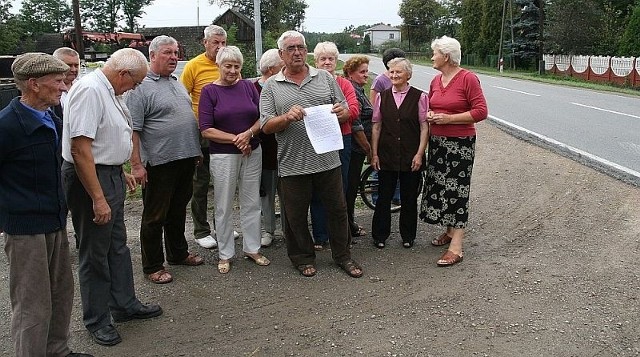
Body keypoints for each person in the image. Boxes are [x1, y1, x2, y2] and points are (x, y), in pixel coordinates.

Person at [61, 48, 163, 346]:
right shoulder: (91, 91)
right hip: (90, 178)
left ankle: (123, 304)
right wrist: (97, 197)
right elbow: (80, 149)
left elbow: (107, 137)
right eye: (136, 82)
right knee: (94, 252)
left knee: (117, 246)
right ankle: (97, 319)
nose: (135, 88)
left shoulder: (111, 91)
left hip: (108, 174)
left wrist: (119, 170)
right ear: (123, 74)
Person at [0, 53, 92, 357]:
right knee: (32, 303)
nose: (64, 87)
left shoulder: (51, 117)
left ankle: (57, 351)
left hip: (54, 220)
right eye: (57, 81)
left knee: (61, 292)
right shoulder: (8, 126)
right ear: (33, 84)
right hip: (25, 229)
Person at [260, 30, 363, 278]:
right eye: (291, 49)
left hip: (327, 159)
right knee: (295, 215)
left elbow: (346, 109)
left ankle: (343, 256)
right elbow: (265, 125)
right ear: (281, 54)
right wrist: (285, 118)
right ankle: (302, 258)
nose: (297, 52)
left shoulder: (325, 79)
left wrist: (342, 112)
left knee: (338, 210)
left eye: (301, 48)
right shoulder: (271, 86)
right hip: (292, 163)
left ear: (306, 51)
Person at [126, 35, 203, 284]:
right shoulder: (140, 88)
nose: (173, 57)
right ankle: (152, 266)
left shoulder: (176, 82)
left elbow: (186, 120)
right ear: (153, 56)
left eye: (175, 52)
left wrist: (196, 150)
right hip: (158, 162)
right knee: (154, 215)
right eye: (168, 53)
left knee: (178, 210)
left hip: (185, 158)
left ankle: (178, 253)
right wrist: (136, 164)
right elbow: (133, 130)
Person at [199, 46, 269, 274]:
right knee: (224, 204)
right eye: (227, 66)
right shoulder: (209, 91)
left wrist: (248, 135)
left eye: (236, 66)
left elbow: (262, 117)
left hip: (252, 150)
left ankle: (252, 248)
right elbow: (206, 129)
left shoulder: (249, 87)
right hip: (223, 155)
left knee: (251, 202)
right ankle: (225, 253)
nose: (232, 70)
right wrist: (236, 139)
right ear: (219, 66)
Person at [420, 36, 488, 266]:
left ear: (446, 56)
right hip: (438, 142)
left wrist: (449, 119)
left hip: (460, 144)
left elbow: (480, 112)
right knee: (441, 187)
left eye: (434, 53)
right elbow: (431, 106)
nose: (432, 57)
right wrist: (431, 115)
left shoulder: (468, 78)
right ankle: (449, 230)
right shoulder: (436, 80)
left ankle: (456, 247)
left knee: (457, 190)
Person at [180, 24, 238, 249]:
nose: (220, 47)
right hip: (202, 132)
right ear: (205, 43)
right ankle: (201, 230)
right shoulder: (194, 66)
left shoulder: (231, 66)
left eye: (224, 42)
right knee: (201, 183)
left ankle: (222, 226)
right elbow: (182, 98)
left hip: (227, 133)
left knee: (225, 182)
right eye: (216, 42)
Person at [371, 57, 429, 249]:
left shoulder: (420, 97)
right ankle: (380, 235)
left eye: (398, 72)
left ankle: (408, 235)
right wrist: (375, 153)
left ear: (408, 75)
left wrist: (420, 153)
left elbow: (424, 127)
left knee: (409, 197)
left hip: (410, 154)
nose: (394, 75)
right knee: (384, 196)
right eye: (391, 71)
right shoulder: (383, 96)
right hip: (386, 153)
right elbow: (377, 126)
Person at [309, 41, 360, 250]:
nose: (327, 62)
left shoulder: (344, 84)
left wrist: (344, 113)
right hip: (317, 141)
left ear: (337, 61)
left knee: (340, 187)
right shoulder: (310, 83)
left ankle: (340, 234)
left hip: (342, 139)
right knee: (317, 188)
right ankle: (320, 235)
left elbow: (354, 110)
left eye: (331, 58)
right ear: (316, 61)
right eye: (323, 59)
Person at [253, 48, 285, 248]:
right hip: (264, 150)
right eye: (282, 66)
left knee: (288, 193)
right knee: (265, 193)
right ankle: (268, 229)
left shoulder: (283, 86)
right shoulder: (252, 89)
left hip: (285, 149)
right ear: (272, 70)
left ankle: (289, 230)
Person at [370, 48, 406, 206]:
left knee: (399, 165)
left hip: (400, 129)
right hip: (385, 129)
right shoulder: (380, 81)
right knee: (381, 165)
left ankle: (397, 196)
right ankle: (377, 198)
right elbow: (374, 106)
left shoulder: (402, 78)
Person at [342, 55, 373, 240]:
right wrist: (368, 148)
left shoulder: (359, 89)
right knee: (350, 188)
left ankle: (349, 224)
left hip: (358, 149)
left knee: (351, 188)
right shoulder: (352, 90)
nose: (366, 75)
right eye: (362, 72)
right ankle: (348, 226)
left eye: (367, 71)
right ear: (350, 73)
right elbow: (356, 124)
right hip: (355, 148)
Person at [52, 47, 80, 119]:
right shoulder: (50, 90)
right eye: (69, 65)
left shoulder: (83, 86)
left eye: (76, 65)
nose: (73, 69)